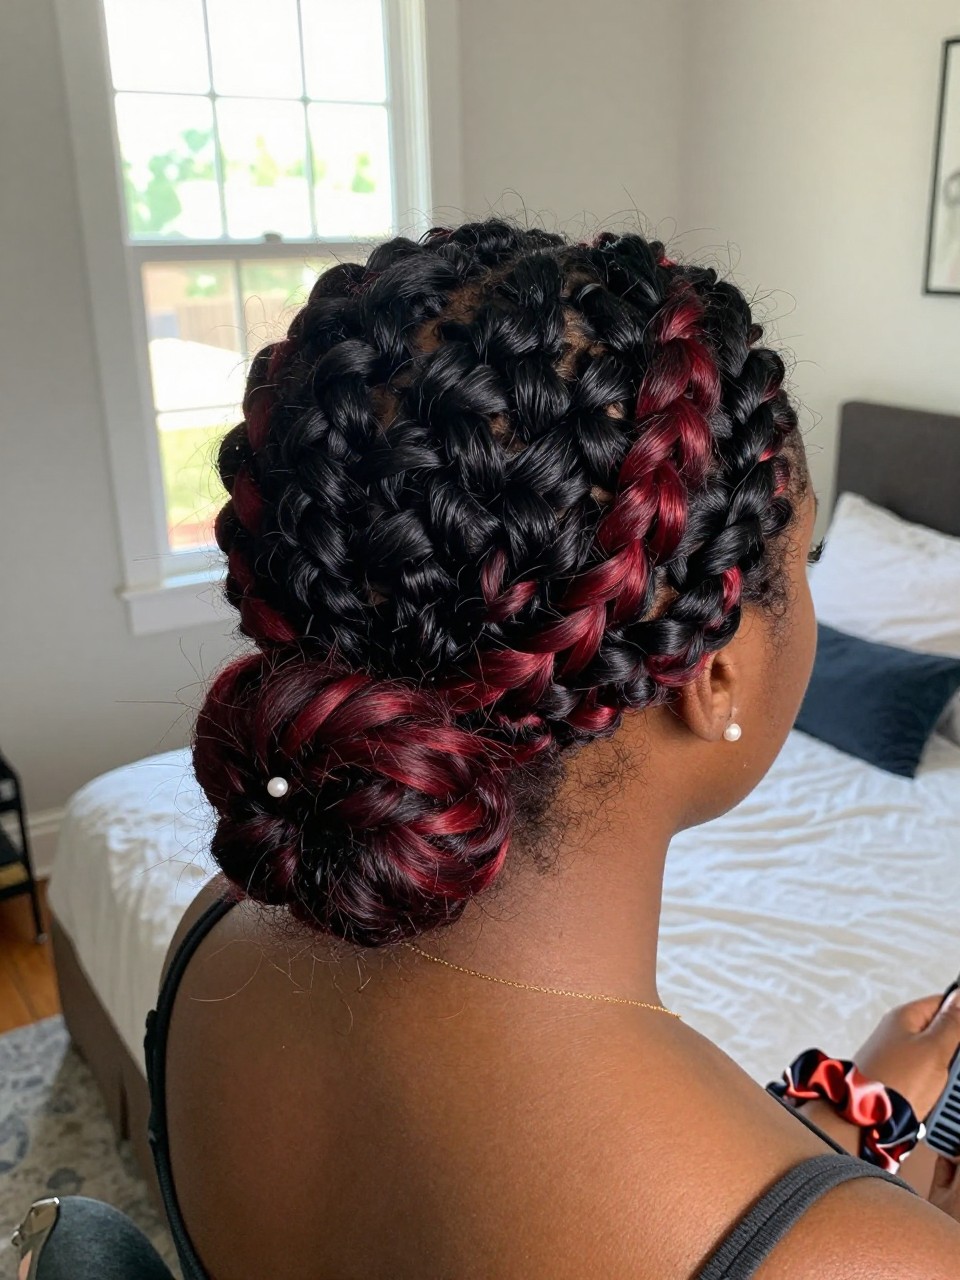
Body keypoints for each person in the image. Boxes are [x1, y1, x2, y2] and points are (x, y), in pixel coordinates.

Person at [147, 221, 960, 1278]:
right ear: (710, 672)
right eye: (802, 553)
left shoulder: (217, 929)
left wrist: (857, 1113)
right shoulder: (874, 1261)